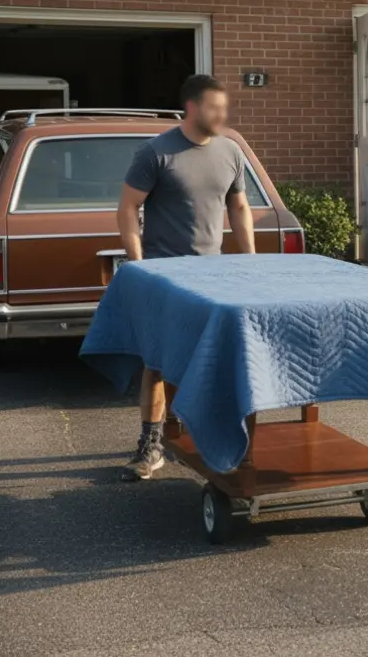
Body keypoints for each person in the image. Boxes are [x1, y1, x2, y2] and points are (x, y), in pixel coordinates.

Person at [116, 74, 256, 481]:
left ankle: (213, 436)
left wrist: (250, 260)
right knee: (157, 363)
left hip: (214, 277)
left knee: (215, 357)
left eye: (224, 108)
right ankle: (151, 444)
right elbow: (127, 208)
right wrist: (140, 266)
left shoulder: (231, 150)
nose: (222, 115)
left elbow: (239, 207)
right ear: (192, 108)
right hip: (167, 276)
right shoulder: (156, 152)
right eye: (214, 107)